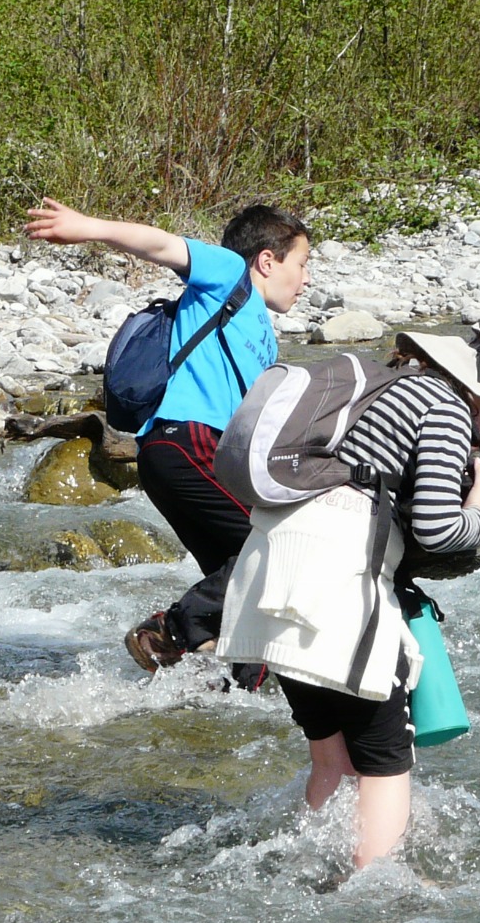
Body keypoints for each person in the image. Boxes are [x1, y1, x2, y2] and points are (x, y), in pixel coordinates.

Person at [217, 317, 480, 869]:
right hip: (338, 582)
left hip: (272, 564)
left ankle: (308, 866)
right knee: (385, 759)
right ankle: (375, 891)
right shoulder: (447, 410)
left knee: (332, 758)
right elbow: (436, 529)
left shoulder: (397, 385)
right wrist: (478, 509)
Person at [24, 198, 311, 681]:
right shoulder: (229, 275)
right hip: (186, 444)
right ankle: (169, 632)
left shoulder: (263, 331)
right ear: (267, 260)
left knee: (246, 587)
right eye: (301, 264)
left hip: (197, 458)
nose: (306, 279)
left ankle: (236, 689)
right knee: (279, 548)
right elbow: (160, 244)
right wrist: (88, 226)